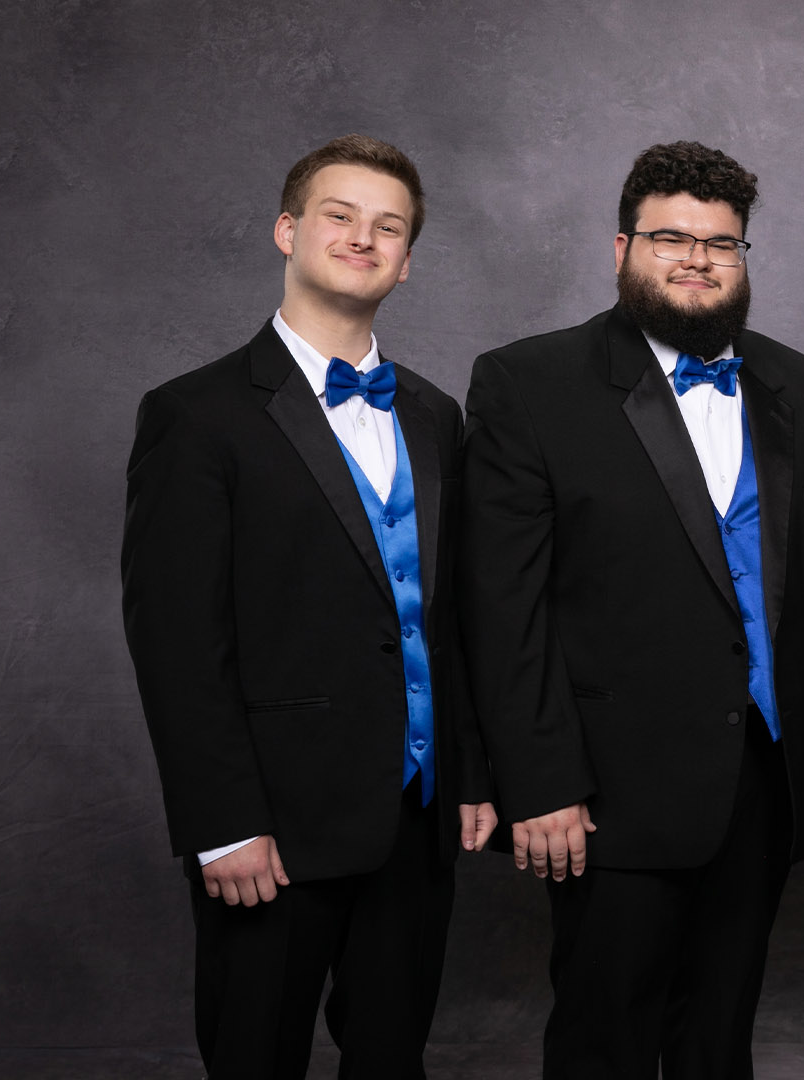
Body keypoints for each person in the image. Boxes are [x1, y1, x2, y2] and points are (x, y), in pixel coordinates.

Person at [458, 140, 804, 1079]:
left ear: (742, 259)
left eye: (720, 244)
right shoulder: (528, 383)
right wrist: (540, 781)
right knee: (604, 1039)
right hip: (607, 789)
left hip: (767, 776)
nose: (696, 259)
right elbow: (503, 605)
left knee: (718, 1037)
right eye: (670, 238)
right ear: (621, 249)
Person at [121, 133, 496, 1078]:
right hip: (272, 828)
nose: (362, 238)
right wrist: (223, 821)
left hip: (415, 817)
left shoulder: (434, 413)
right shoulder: (195, 415)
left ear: (407, 264)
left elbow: (451, 621)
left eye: (389, 227)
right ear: (287, 231)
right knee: (256, 1057)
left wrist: (472, 771)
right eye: (339, 215)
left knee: (391, 1057)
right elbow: (175, 638)